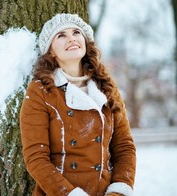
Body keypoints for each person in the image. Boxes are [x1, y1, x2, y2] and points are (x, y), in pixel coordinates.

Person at [20, 13, 136, 196]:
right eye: (61, 35)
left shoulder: (106, 87)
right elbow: (36, 157)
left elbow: (124, 146)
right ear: (50, 51)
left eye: (76, 32)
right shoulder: (40, 91)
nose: (72, 38)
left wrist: (119, 189)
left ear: (85, 41)